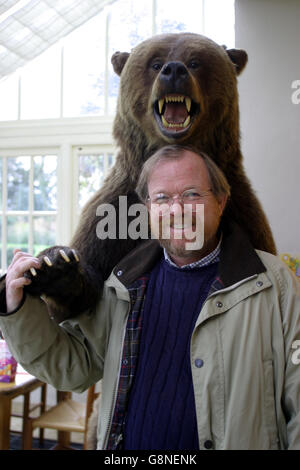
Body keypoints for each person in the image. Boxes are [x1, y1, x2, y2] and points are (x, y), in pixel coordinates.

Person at [1, 145, 300, 450]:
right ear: (147, 210)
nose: (177, 209)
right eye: (162, 198)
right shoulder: (124, 285)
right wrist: (18, 307)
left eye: (192, 194)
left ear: (221, 202)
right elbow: (74, 366)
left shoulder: (273, 284)